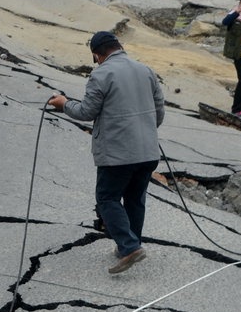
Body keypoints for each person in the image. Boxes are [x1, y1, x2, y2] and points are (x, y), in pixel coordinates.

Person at [49, 31, 165, 274]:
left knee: (107, 198)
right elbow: (159, 110)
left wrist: (63, 104)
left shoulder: (101, 73)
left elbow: (85, 112)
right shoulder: (145, 70)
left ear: (97, 55)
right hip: (148, 152)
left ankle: (130, 246)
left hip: (118, 154)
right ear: (119, 47)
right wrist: (144, 131)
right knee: (135, 198)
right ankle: (130, 245)